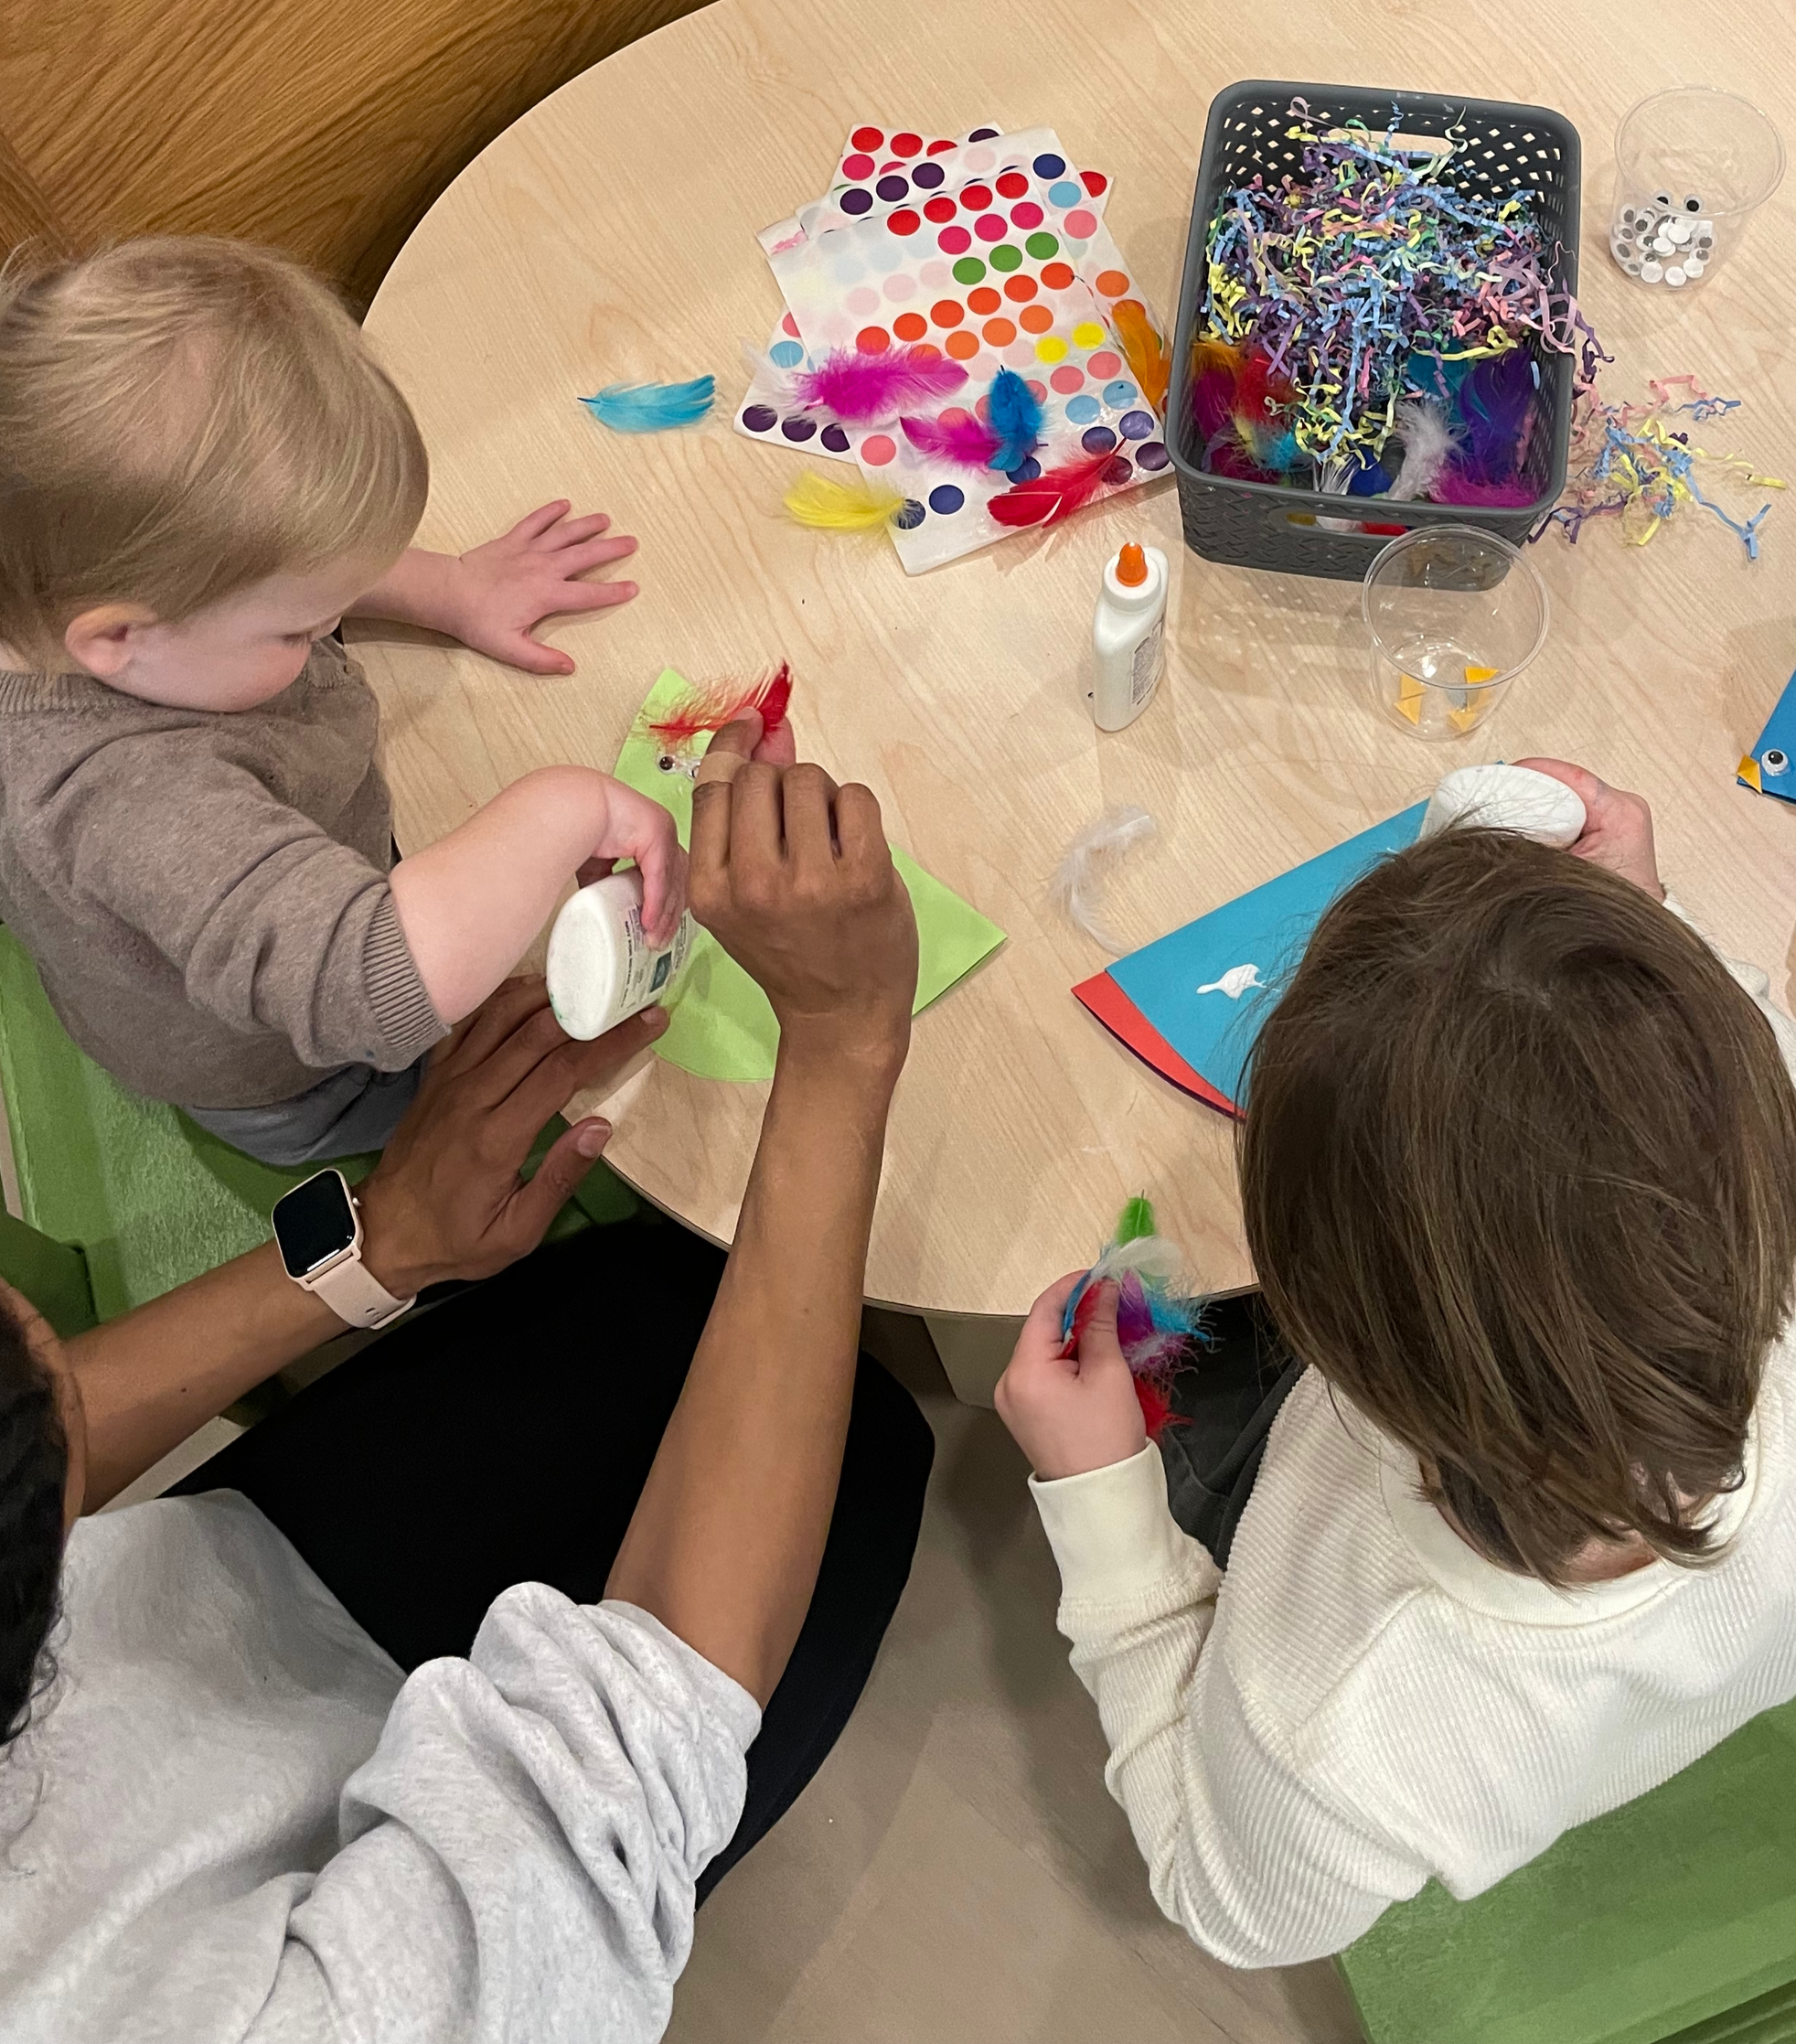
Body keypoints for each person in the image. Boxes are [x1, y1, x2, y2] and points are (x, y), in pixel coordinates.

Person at [0, 714, 933, 2042]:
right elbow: (640, 1741)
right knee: (878, 1453)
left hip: (252, 1577)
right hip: (402, 1830)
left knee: (652, 1300)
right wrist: (842, 1043)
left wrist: (374, 1244)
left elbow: (37, 1433)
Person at [996, 759, 1796, 1967]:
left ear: (1315, 1314)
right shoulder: (1761, 1182)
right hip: (1639, 1659)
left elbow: (1224, 1902)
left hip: (1381, 1631)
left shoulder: (1333, 1723)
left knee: (1204, 1429)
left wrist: (1107, 1509)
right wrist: (1636, 936)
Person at [0, 236, 683, 1164]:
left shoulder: (67, 573)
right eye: (298, 627)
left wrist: (447, 587)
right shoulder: (135, 799)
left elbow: (252, 564)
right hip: (289, 1069)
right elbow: (371, 983)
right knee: (443, 1093)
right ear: (117, 635)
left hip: (257, 894)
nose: (325, 631)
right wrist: (571, 804)